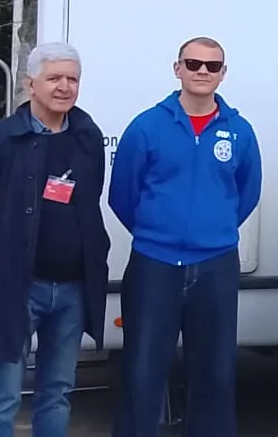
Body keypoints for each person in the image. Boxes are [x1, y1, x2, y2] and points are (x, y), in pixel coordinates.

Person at [0, 41, 112, 437]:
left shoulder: (87, 137)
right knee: (3, 395)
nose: (64, 87)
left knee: (57, 392)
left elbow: (89, 201)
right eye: (54, 78)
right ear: (30, 84)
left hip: (72, 290)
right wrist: (1, 255)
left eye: (72, 79)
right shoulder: (0, 141)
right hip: (18, 288)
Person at [108, 37, 263, 437]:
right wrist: (159, 232)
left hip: (215, 266)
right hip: (154, 265)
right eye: (193, 63)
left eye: (212, 66)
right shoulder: (147, 127)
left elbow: (246, 194)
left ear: (223, 74)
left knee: (215, 373)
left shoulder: (239, 131)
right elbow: (123, 194)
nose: (202, 71)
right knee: (143, 371)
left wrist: (211, 232)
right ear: (177, 69)